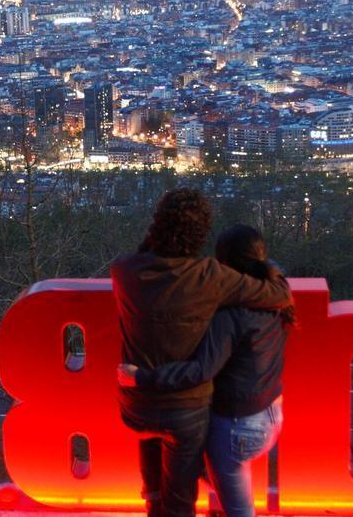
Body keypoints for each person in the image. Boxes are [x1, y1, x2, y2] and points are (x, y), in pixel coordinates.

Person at [112, 190, 292, 517]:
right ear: (201, 234)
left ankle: (152, 499)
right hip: (186, 412)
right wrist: (266, 265)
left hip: (137, 403)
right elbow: (279, 295)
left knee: (154, 490)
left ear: (156, 225)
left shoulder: (123, 271)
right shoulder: (210, 276)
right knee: (180, 503)